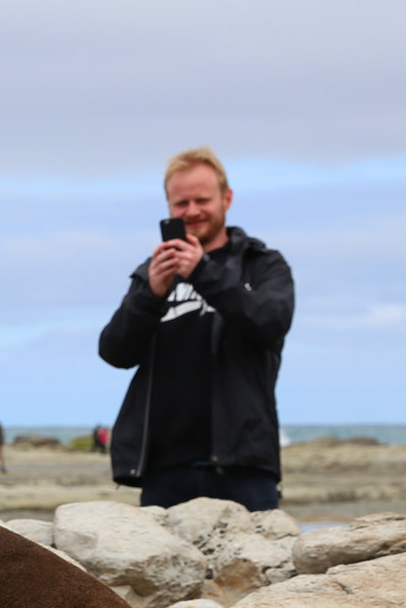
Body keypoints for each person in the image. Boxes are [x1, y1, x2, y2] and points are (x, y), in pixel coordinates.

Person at [99, 146, 294, 511]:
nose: (191, 212)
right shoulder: (154, 272)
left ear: (227, 198)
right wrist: (148, 296)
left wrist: (202, 272)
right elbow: (114, 352)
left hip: (245, 467)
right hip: (163, 468)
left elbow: (271, 324)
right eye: (180, 203)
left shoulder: (262, 265)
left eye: (201, 200)